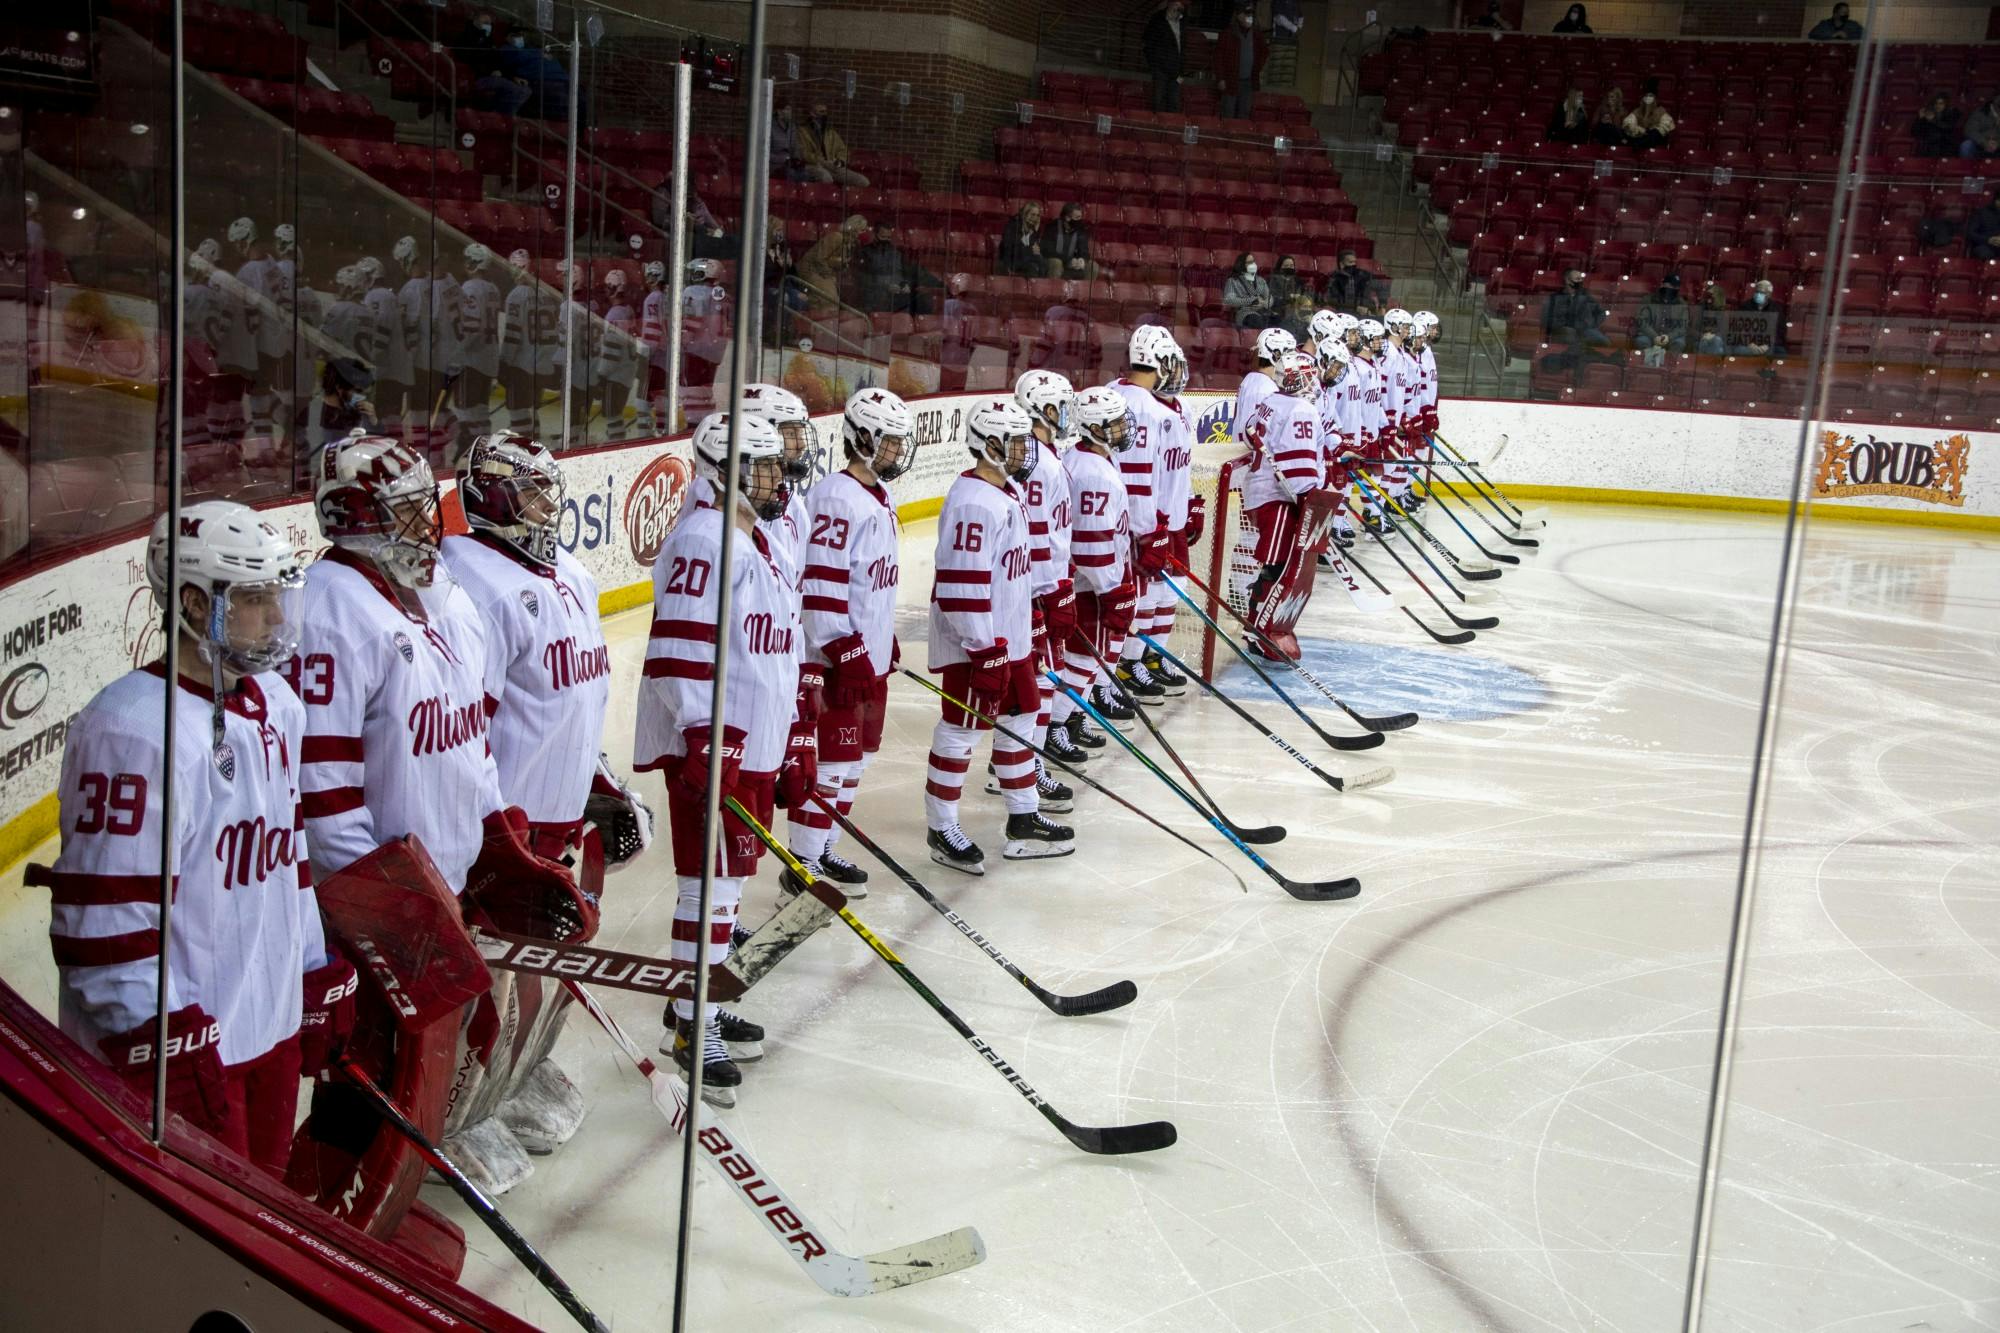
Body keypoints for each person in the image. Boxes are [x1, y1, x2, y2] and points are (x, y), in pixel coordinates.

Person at [292, 432, 590, 1192]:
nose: (431, 527)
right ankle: (335, 1195)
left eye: (428, 508)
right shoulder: (328, 610)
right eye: (405, 512)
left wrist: (497, 842)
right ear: (354, 516)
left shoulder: (430, 596)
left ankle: (401, 1171)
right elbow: (322, 791)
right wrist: (390, 905)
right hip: (378, 894)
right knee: (366, 1058)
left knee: (430, 1047)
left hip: (438, 878)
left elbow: (469, 743)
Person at [41, 502, 348, 1178]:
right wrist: (165, 1041)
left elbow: (286, 858)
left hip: (267, 1034)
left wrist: (309, 969)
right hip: (183, 1057)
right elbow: (104, 924)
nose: (275, 618)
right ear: (192, 601)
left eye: (278, 595)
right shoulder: (132, 730)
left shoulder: (277, 704)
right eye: (254, 598)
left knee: (263, 1221)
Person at [441, 433, 623, 1157]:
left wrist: (600, 784)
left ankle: (509, 1083)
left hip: (560, 814)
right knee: (494, 978)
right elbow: (467, 725)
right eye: (532, 492)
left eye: (551, 488)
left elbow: (583, 691)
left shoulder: (571, 572)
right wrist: (495, 832)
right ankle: (454, 1111)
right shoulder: (472, 583)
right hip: (507, 826)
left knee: (539, 970)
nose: (550, 504)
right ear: (489, 498)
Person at [633, 413, 805, 1105]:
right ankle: (690, 1024)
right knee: (706, 886)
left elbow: (773, 643)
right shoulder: (705, 539)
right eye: (762, 467)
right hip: (718, 744)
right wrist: (709, 737)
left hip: (751, 739)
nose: (777, 477)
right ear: (723, 471)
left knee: (729, 886)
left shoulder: (753, 537)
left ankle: (697, 1003)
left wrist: (788, 731)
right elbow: (680, 645)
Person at [923, 399, 1076, 874]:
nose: (1023, 451)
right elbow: (960, 586)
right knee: (960, 731)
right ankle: (941, 827)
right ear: (988, 446)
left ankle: (1023, 820)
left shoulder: (1005, 492)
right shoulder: (973, 503)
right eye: (1013, 442)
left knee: (1024, 716)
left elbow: (1012, 573)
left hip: (1009, 640)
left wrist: (1033, 612)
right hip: (980, 646)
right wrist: (983, 648)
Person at [792, 388, 916, 885]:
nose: (897, 452)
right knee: (831, 765)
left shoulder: (876, 495)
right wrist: (847, 649)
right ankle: (802, 864)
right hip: (835, 660)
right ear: (862, 439)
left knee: (857, 759)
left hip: (866, 656)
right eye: (889, 442)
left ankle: (824, 848)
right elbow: (821, 585)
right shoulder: (835, 498)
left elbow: (871, 582)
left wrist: (883, 640)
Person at [1107, 325, 1194, 705]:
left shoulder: (1173, 405)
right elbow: (1138, 475)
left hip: (1163, 518)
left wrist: (1190, 503)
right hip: (1142, 524)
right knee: (1138, 597)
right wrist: (1149, 528)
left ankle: (1150, 656)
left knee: (1169, 591)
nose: (1175, 372)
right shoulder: (1137, 404)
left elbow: (1180, 465)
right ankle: (1128, 663)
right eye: (1169, 363)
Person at [1049, 386, 1134, 755]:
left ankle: (1069, 719)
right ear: (1094, 427)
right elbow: (1090, 545)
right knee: (1083, 658)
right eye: (1114, 423)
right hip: (1089, 585)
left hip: (1091, 583)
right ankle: (1054, 726)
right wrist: (1112, 589)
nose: (1122, 428)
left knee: (1086, 657)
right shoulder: (1092, 472)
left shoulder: (1093, 459)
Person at [1011, 371, 1085, 785]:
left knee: (1040, 679)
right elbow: (1037, 532)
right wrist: (1048, 591)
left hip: (1045, 586)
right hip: (1036, 592)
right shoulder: (1037, 462)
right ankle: (1025, 764)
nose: (1067, 414)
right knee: (1037, 682)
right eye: (1060, 406)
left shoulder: (1044, 455)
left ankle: (1023, 761)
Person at [1236, 351, 1323, 629]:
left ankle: (1262, 623)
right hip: (1278, 498)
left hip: (1262, 493)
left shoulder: (1271, 401)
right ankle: (1257, 626)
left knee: (1277, 564)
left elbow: (1250, 432)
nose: (1314, 382)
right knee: (1277, 564)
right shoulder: (1300, 409)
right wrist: (1312, 499)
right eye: (1310, 376)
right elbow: (1298, 469)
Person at [457, 244, 503, 451]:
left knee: (465, 409)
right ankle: (484, 449)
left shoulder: (470, 288)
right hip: (489, 358)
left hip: (472, 360)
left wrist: (455, 352)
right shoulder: (493, 289)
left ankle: (469, 449)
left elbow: (471, 326)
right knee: (482, 411)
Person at [592, 268, 644, 441]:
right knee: (615, 414)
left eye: (608, 286)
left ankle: (615, 443)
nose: (606, 290)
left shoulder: (615, 314)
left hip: (615, 374)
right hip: (626, 372)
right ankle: (617, 441)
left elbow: (612, 352)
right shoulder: (627, 310)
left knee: (612, 415)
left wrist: (601, 375)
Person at [457, 9, 533, 116]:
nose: (489, 26)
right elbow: (470, 59)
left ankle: (500, 115)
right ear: (475, 21)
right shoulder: (465, 38)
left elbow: (498, 62)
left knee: (526, 90)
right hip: (478, 77)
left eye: (490, 24)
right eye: (485, 23)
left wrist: (512, 77)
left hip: (495, 76)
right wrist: (490, 71)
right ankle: (501, 116)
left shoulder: (489, 41)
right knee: (514, 90)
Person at [857, 224, 940, 316]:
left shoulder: (896, 253)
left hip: (897, 297)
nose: (886, 240)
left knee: (923, 298)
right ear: (875, 235)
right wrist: (886, 287)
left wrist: (905, 284)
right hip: (876, 296)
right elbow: (862, 278)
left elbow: (905, 273)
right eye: (883, 237)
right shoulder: (865, 252)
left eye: (888, 237)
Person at [1234, 326, 1296, 446]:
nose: (1292, 360)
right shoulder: (1263, 388)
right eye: (1288, 354)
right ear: (1276, 355)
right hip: (1250, 458)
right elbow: (1253, 434)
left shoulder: (1253, 379)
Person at [1542, 269, 1611, 370]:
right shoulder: (1555, 297)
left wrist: (1592, 324)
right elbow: (1547, 318)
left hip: (1586, 329)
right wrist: (1561, 325)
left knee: (1604, 342)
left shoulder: (1586, 296)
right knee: (1571, 335)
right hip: (1565, 330)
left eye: (1581, 279)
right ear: (1567, 280)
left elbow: (1601, 313)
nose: (1580, 281)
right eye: (1577, 279)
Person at [1215, 0, 1269, 122]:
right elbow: (1218, 58)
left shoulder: (1256, 35)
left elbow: (1264, 52)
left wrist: (1256, 68)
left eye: (1251, 14)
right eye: (1246, 14)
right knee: (1228, 113)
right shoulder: (1227, 34)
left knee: (1244, 114)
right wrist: (1220, 78)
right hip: (1230, 81)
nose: (1249, 17)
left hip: (1248, 82)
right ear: (1239, 15)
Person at [498, 27, 570, 119]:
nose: (520, 38)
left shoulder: (532, 49)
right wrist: (539, 54)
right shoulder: (508, 50)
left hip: (561, 78)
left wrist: (538, 53)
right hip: (542, 80)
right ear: (507, 37)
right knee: (561, 96)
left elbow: (551, 59)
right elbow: (518, 60)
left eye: (521, 35)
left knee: (579, 97)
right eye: (516, 35)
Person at [798, 214, 866, 309]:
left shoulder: (849, 243)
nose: (864, 233)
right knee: (830, 302)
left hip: (825, 273)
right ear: (854, 228)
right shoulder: (837, 237)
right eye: (862, 230)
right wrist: (829, 275)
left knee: (832, 301)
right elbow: (820, 258)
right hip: (814, 271)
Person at [796, 101, 869, 188]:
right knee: (826, 177)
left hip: (832, 165)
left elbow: (842, 149)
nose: (824, 114)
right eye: (821, 112)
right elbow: (802, 153)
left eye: (825, 111)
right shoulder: (802, 131)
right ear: (812, 113)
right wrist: (821, 161)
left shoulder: (830, 132)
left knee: (862, 181)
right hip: (813, 165)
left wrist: (840, 161)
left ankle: (844, 197)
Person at [1143, 0, 1189, 113]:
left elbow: (1182, 47)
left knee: (1174, 103)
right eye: (1177, 4)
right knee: (1158, 102)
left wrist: (1181, 71)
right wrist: (1154, 65)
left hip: (1176, 70)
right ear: (1170, 3)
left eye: (1181, 6)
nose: (1178, 8)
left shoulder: (1182, 22)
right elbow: (1148, 43)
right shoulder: (1157, 20)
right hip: (1160, 69)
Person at [1632, 273, 1690, 363]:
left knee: (1679, 343)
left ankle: (1669, 366)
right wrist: (1654, 336)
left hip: (1671, 336)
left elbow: (1683, 327)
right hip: (1650, 334)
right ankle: (1648, 366)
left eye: (1675, 287)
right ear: (1662, 284)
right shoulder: (1648, 299)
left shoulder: (1682, 304)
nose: (1673, 288)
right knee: (1642, 341)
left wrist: (1669, 337)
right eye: (1670, 285)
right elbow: (1641, 321)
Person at [1040, 203, 1094, 280]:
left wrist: (1082, 260)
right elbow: (1047, 250)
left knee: (1093, 266)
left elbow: (1084, 250)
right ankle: (1053, 290)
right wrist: (1068, 259)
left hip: (1071, 262)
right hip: (1053, 260)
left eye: (1080, 217)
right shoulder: (1052, 227)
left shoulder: (1081, 230)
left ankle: (1084, 290)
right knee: (1056, 262)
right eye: (1077, 217)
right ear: (1067, 217)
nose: (1080, 220)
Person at [1224, 252, 1278, 328]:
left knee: (1277, 320)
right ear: (1241, 264)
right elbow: (1229, 300)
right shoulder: (1233, 281)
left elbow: (1270, 298)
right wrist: (1252, 301)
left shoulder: (1260, 280)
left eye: (1253, 262)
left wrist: (1263, 303)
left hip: (1262, 311)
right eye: (1249, 262)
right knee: (1256, 320)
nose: (1253, 264)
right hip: (1245, 312)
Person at [1732, 279, 1785, 357]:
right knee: (1740, 350)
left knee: (1781, 353)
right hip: (1748, 344)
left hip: (1768, 345)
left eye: (1762, 292)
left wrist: (1767, 345)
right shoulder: (1745, 306)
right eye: (1757, 291)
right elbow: (1738, 328)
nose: (1758, 294)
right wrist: (1750, 344)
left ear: (1769, 294)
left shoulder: (1776, 309)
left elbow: (1780, 331)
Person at [1324, 249, 1382, 317]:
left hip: (1365, 314)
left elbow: (1381, 287)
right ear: (1341, 264)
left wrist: (1382, 306)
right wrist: (1355, 308)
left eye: (1355, 262)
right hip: (1343, 315)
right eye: (1350, 262)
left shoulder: (1363, 274)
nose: (1353, 265)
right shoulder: (1334, 278)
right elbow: (1331, 300)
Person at [996, 202, 1047, 278]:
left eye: (1037, 215)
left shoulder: (1035, 228)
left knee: (1042, 263)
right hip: (1011, 259)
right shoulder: (1013, 225)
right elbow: (1010, 247)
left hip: (1026, 258)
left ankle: (1041, 286)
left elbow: (1033, 249)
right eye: (1032, 214)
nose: (1035, 218)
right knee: (1033, 267)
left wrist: (1033, 234)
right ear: (1025, 214)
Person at [1623, 84, 1675, 151]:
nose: (1648, 98)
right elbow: (1628, 122)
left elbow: (1666, 124)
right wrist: (1640, 129)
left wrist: (1651, 131)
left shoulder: (1660, 111)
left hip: (1655, 137)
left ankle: (1640, 144)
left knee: (1655, 133)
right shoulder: (1638, 111)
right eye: (1646, 96)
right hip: (1642, 135)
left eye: (1650, 96)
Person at [1913, 95, 1963, 159]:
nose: (1938, 106)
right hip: (1930, 147)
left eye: (1941, 103)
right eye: (1936, 103)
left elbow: (1948, 128)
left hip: (1946, 146)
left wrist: (1933, 120)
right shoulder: (1929, 114)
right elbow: (1915, 132)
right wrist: (1920, 119)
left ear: (1946, 105)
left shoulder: (1951, 113)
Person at [1962, 95, 2000, 160]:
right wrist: (1984, 143)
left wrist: (1998, 143)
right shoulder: (1980, 112)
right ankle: (1966, 169)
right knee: (1966, 145)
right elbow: (1970, 130)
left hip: (1998, 145)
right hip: (1980, 144)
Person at [1969, 187, 2000, 260]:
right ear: (1996, 201)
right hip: (1986, 245)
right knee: (1983, 253)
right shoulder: (1982, 212)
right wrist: (1988, 240)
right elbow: (1970, 233)